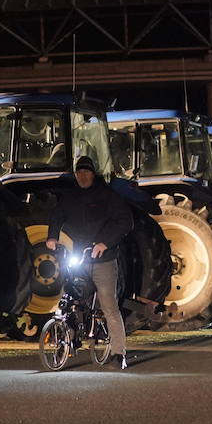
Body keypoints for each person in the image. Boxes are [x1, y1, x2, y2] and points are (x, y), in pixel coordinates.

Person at [45, 155, 134, 369]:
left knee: (109, 306)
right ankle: (69, 339)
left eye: (86, 172)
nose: (83, 176)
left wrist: (105, 242)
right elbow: (57, 215)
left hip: (104, 260)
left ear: (93, 174)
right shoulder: (71, 197)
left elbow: (125, 220)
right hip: (80, 258)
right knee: (72, 300)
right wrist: (52, 236)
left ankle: (119, 354)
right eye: (79, 173)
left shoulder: (107, 196)